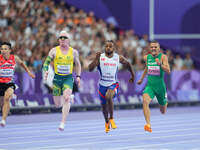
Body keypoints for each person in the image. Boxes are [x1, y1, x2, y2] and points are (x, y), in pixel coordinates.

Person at [88, 40, 135, 133]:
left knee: (109, 96)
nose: (108, 48)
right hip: (102, 85)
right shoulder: (100, 57)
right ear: (104, 48)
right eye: (106, 46)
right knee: (104, 107)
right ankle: (106, 122)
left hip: (113, 84)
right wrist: (96, 59)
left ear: (114, 48)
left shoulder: (118, 58)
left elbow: (128, 64)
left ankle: (112, 118)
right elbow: (90, 69)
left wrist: (132, 75)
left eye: (110, 46)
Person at [43, 30, 81, 131]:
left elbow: (78, 64)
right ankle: (70, 98)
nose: (62, 39)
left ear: (68, 40)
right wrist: (46, 71)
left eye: (64, 38)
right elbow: (46, 63)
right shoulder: (54, 51)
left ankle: (62, 123)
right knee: (57, 105)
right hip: (57, 78)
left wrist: (78, 76)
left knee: (66, 98)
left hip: (68, 78)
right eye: (60, 38)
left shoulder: (73, 52)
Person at [137, 40, 170, 132]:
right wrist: (141, 79)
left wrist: (160, 64)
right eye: (152, 47)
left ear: (159, 48)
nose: (153, 48)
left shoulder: (163, 57)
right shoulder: (147, 57)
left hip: (160, 87)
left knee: (162, 111)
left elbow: (168, 70)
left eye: (155, 47)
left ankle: (165, 102)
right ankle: (148, 124)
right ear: (149, 48)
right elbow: (147, 68)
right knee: (145, 101)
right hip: (150, 86)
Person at [0, 42, 35, 127]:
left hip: (10, 83)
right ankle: (4, 112)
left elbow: (22, 63)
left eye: (5, 49)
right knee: (2, 104)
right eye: (2, 49)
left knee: (7, 98)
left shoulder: (14, 58)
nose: (3, 51)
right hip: (0, 83)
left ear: (9, 50)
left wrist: (29, 72)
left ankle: (3, 120)